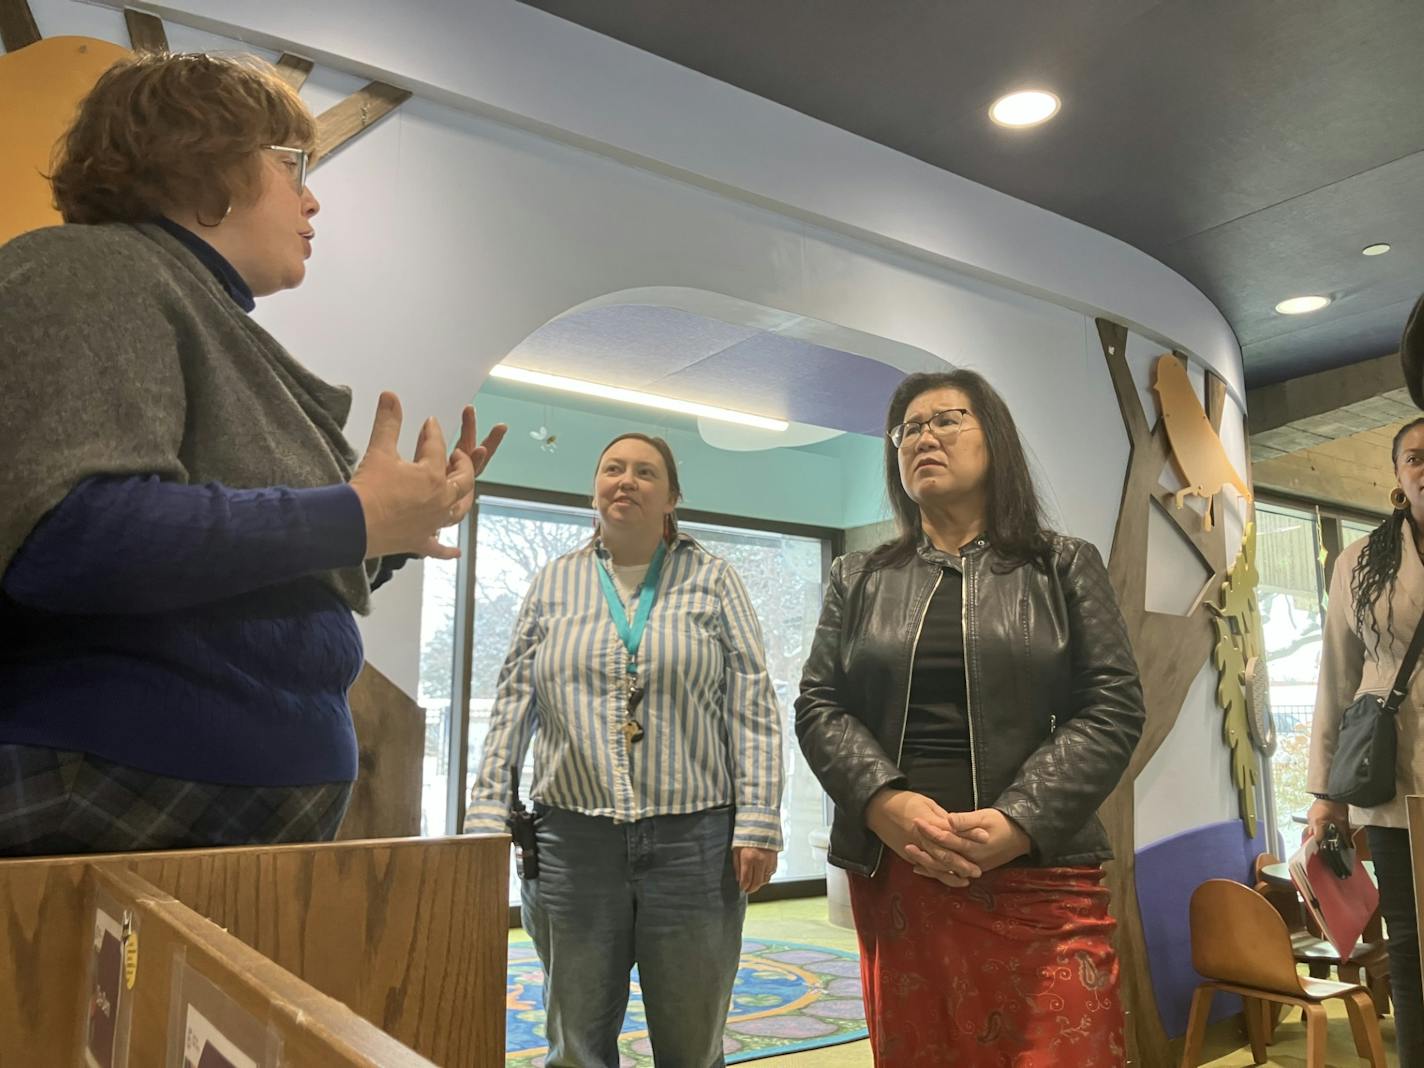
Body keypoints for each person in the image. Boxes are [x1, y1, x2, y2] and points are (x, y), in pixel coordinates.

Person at [0, 53, 505, 856]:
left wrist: (400, 525)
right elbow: (72, 534)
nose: (312, 198)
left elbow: (267, 569)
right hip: (114, 786)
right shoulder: (90, 267)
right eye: (291, 165)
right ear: (203, 164)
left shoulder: (189, 304)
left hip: (179, 802)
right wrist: (352, 516)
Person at [796, 370, 1145, 1067]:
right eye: (908, 429)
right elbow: (819, 705)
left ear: (995, 439)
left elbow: (1112, 705)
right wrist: (882, 801)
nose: (923, 437)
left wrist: (1020, 820)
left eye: (946, 419)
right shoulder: (857, 577)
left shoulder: (1063, 564)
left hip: (1040, 867)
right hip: (902, 867)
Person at [466, 432, 783, 1068]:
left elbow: (752, 704)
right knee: (575, 1043)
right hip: (572, 843)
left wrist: (759, 819)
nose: (626, 480)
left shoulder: (714, 579)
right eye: (613, 468)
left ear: (671, 499)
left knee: (692, 1045)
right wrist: (487, 808)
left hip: (695, 845)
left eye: (645, 472)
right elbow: (514, 701)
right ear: (595, 489)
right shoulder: (553, 582)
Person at [1309, 415, 1424, 1067]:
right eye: (1415, 457)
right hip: (1392, 781)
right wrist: (1327, 793)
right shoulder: (1359, 563)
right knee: (1407, 944)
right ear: (1399, 474)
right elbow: (1337, 675)